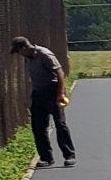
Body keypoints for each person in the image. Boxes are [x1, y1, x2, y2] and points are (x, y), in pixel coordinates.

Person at [11, 35, 75, 167]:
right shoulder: (28, 58)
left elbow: (60, 73)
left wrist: (60, 93)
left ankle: (69, 155)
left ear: (24, 48)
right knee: (38, 126)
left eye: (18, 51)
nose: (19, 55)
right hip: (38, 93)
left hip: (52, 90)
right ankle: (46, 157)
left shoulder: (44, 54)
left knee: (60, 124)